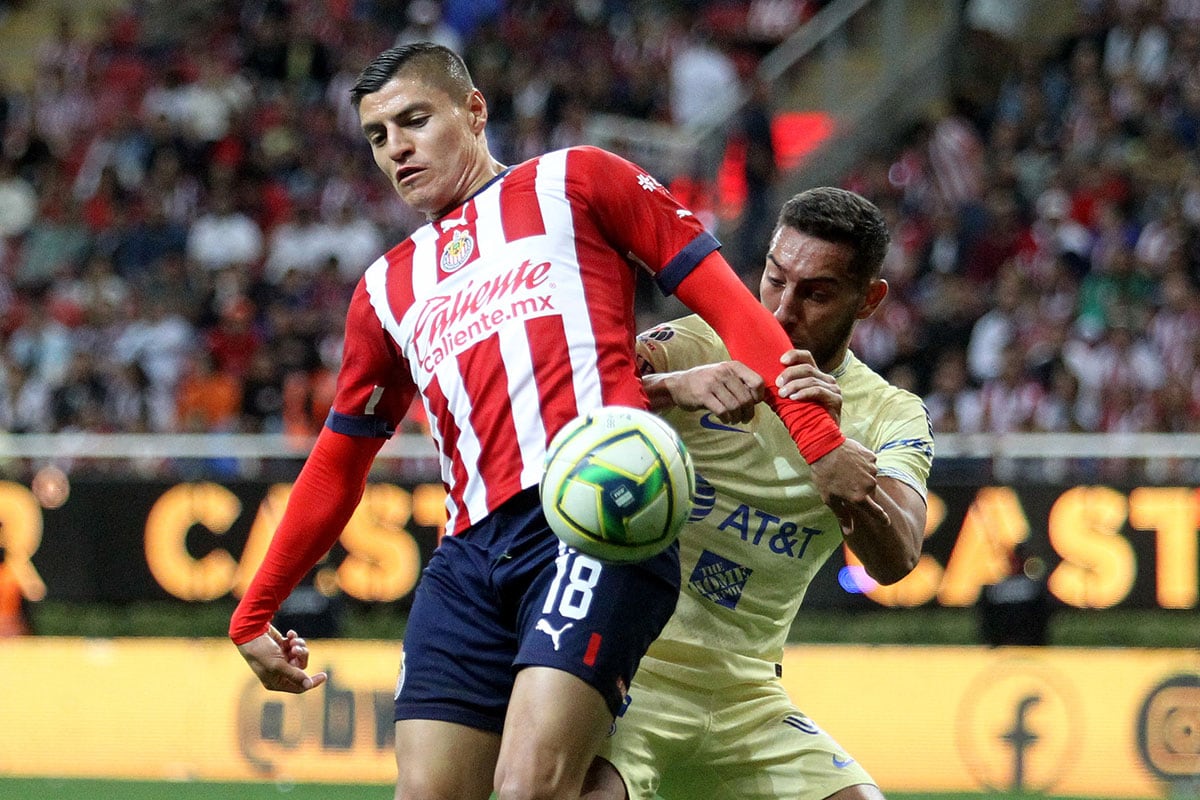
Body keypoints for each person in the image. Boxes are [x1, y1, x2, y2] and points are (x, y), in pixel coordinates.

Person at [229, 43, 883, 800]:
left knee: (531, 788)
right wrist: (257, 607)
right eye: (379, 136)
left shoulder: (577, 181)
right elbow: (340, 461)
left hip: (597, 519)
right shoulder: (383, 291)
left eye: (414, 120)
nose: (398, 148)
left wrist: (816, 438)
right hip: (468, 559)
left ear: (473, 112)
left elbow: (732, 306)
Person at [581, 187, 934, 800]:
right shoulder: (691, 347)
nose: (783, 309)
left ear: (868, 300)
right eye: (775, 278)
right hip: (628, 671)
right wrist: (671, 387)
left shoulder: (889, 413)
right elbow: (567, 410)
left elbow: (898, 556)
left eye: (816, 293)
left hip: (749, 698)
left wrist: (833, 464)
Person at [977, 541, 1052, 647]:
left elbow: (1041, 620)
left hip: (1028, 645)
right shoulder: (994, 588)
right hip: (1002, 645)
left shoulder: (1035, 587)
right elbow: (987, 621)